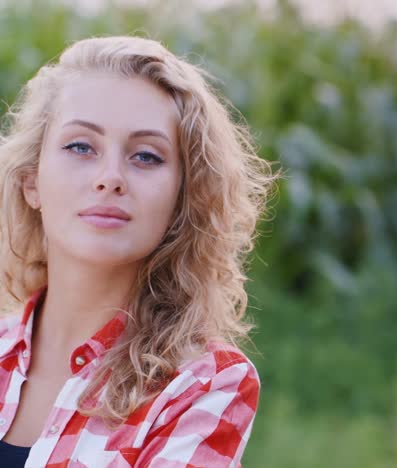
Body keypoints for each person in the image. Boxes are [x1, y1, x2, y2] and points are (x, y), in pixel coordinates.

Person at [0, 35, 277, 467]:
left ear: (182, 198)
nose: (110, 177)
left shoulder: (203, 387)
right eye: (80, 146)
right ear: (31, 182)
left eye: (146, 156)